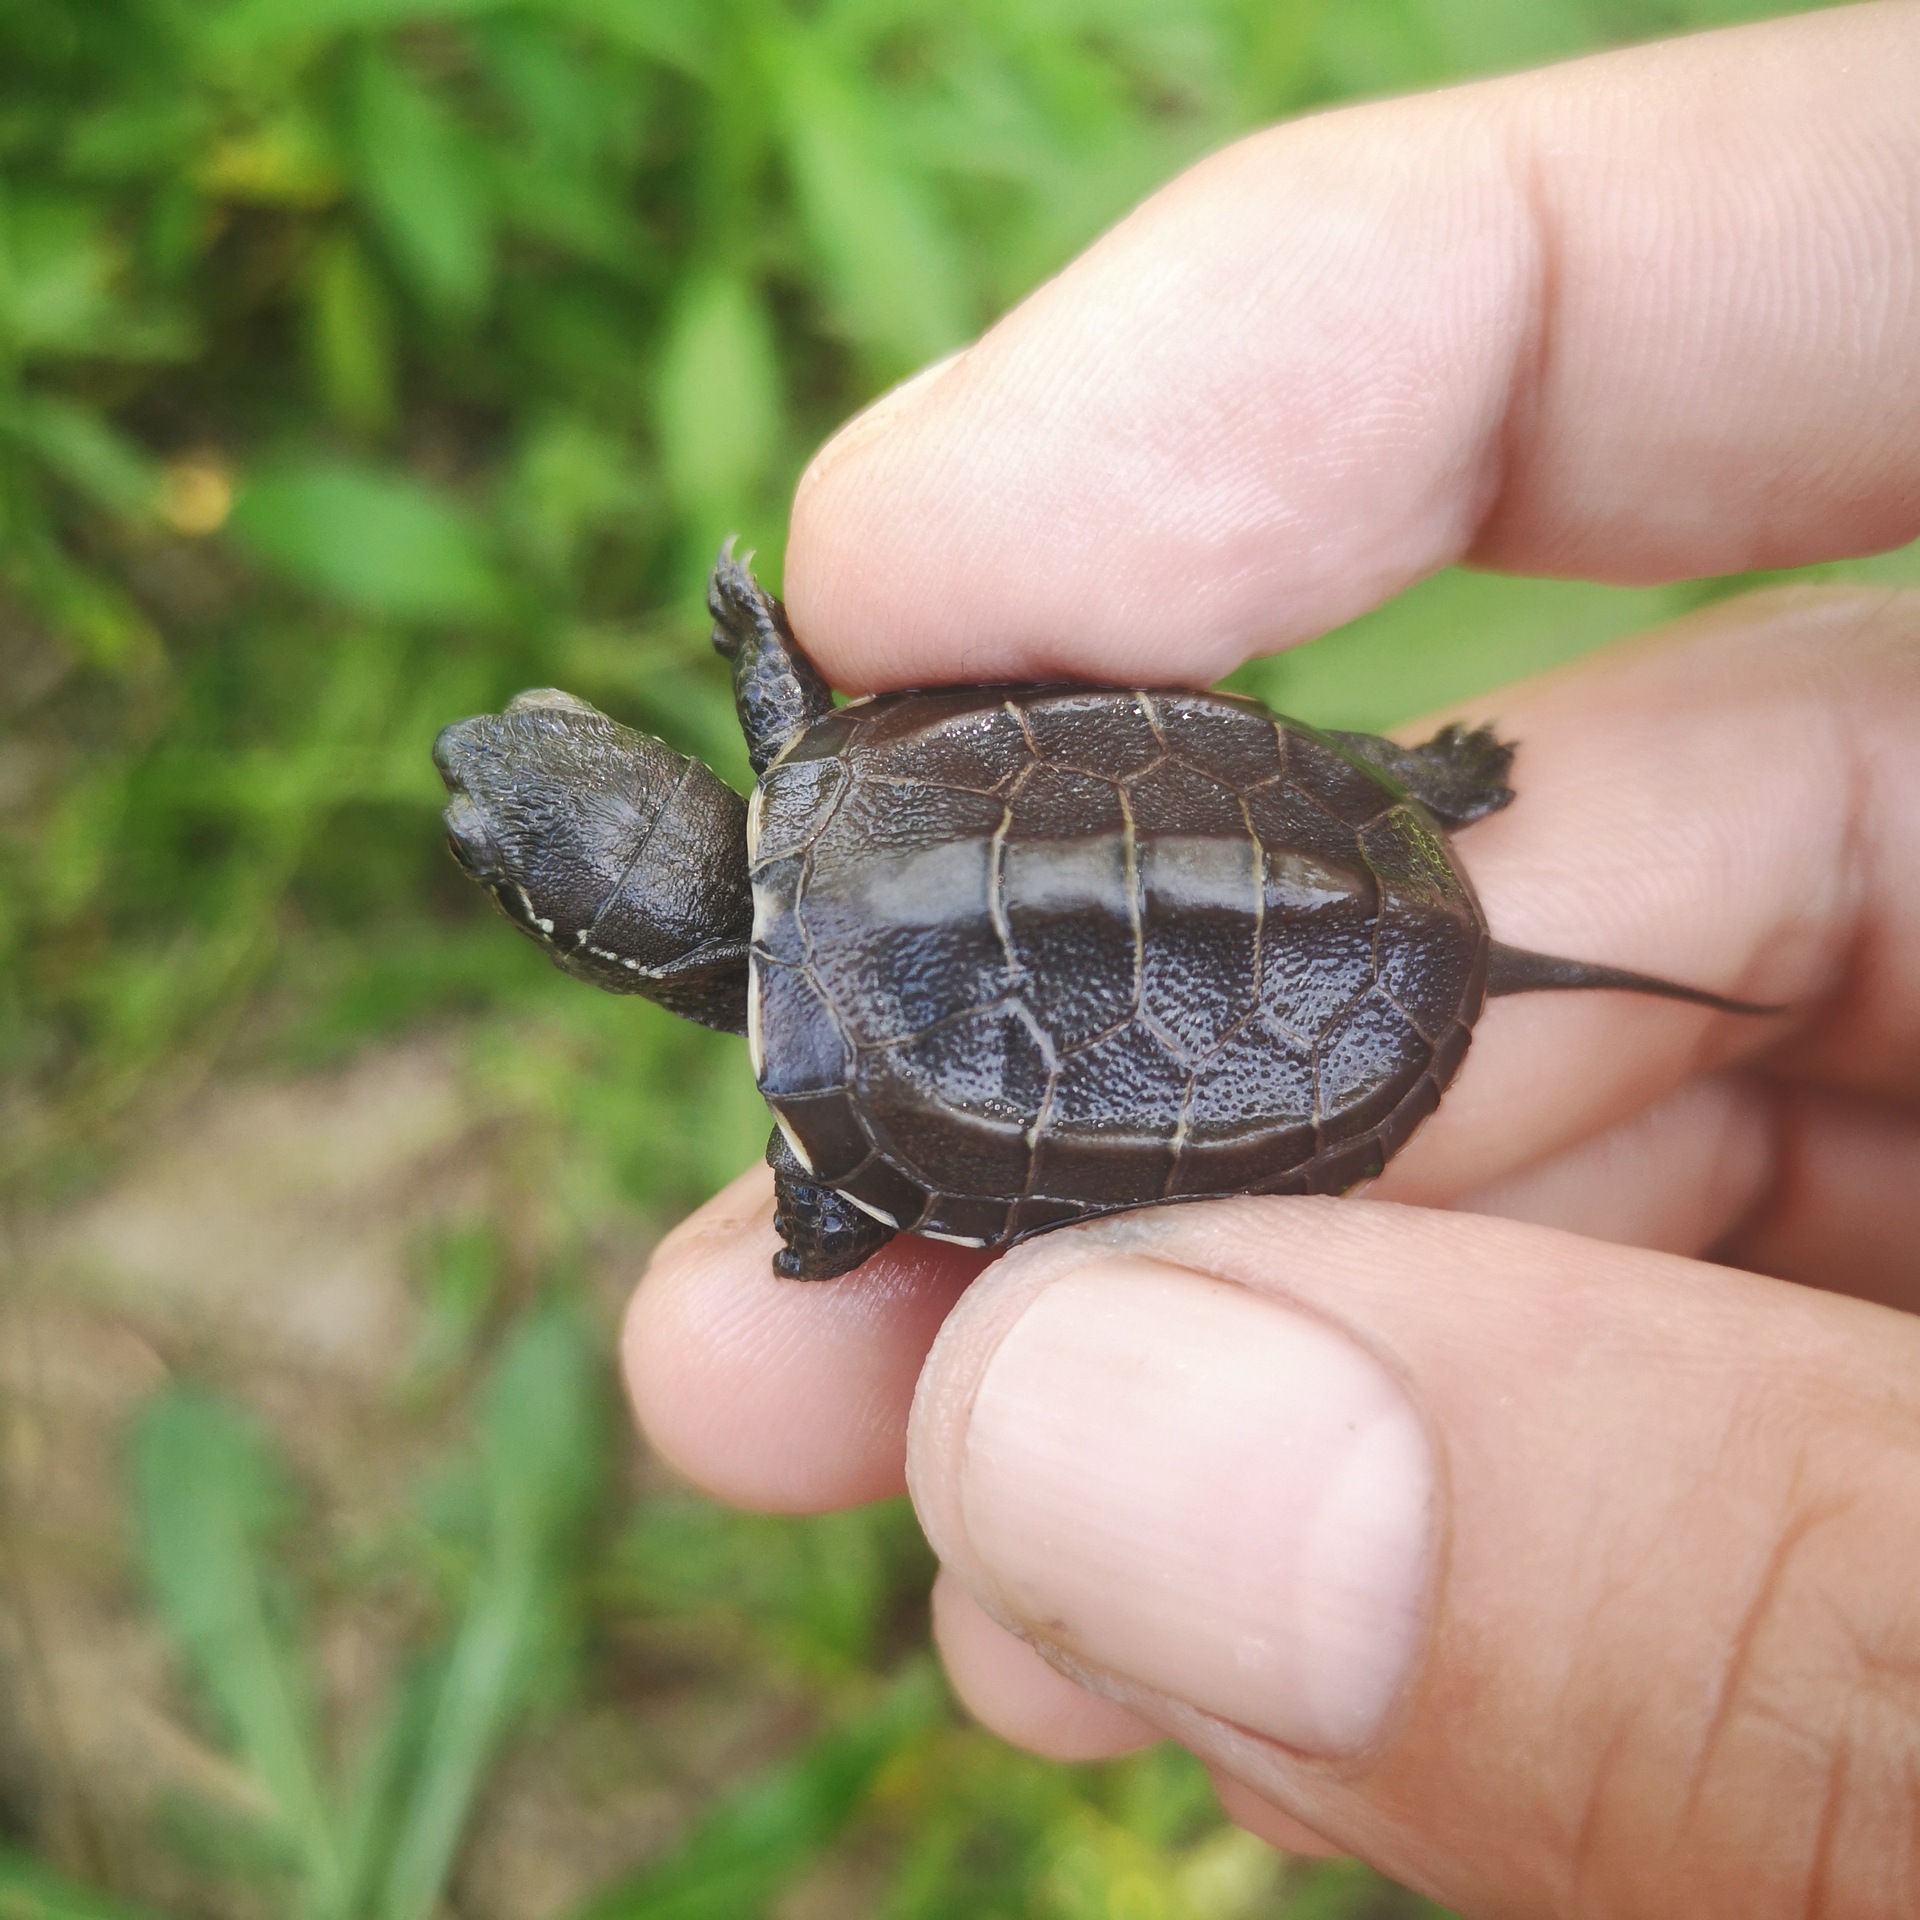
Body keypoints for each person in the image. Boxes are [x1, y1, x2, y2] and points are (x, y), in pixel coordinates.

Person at [624, 5, 1920, 1912]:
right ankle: (1430, 790)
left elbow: (833, 1228)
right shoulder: (820, 767)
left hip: (1318, 992)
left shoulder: (844, 1108)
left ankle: (1423, 803)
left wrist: (823, 1226)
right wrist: (761, 637)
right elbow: (833, 1164)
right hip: (1322, 846)